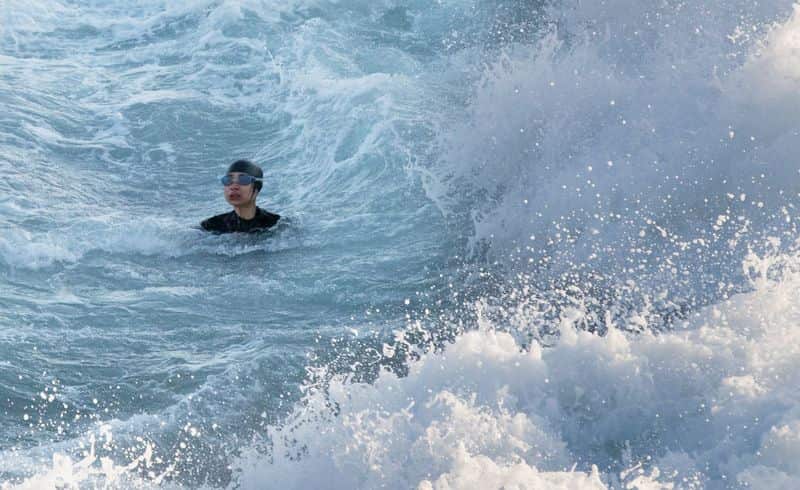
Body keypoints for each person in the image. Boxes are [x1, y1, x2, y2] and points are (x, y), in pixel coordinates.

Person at [201, 159, 281, 233]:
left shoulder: (276, 224)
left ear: (256, 190)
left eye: (243, 180)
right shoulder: (210, 226)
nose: (233, 186)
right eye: (228, 180)